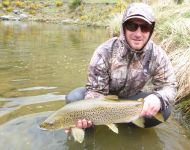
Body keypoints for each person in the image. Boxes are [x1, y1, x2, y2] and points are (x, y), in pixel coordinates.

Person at [65, 2, 177, 131]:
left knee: (165, 109)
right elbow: (95, 90)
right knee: (74, 99)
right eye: (132, 26)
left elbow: (169, 86)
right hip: (103, 102)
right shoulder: (105, 51)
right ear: (123, 27)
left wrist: (158, 98)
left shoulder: (157, 55)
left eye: (145, 27)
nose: (138, 34)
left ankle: (130, 124)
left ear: (151, 30)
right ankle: (90, 129)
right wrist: (88, 112)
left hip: (131, 99)